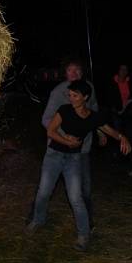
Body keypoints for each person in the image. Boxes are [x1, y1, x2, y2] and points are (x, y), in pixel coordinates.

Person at [27, 79, 131, 251]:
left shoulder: (92, 117)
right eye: (70, 95)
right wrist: (65, 141)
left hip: (73, 160)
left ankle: (84, 235)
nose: (71, 98)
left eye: (75, 96)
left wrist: (123, 137)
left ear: (85, 97)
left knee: (76, 197)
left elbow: (108, 130)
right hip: (53, 156)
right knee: (44, 192)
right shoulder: (64, 110)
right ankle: (38, 220)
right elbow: (50, 131)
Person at [38, 58, 103, 230]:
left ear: (83, 72)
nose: (74, 74)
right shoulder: (58, 92)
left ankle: (87, 224)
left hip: (82, 149)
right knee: (45, 189)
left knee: (84, 189)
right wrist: (65, 137)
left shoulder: (89, 89)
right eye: (70, 70)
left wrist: (100, 131)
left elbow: (94, 112)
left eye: (78, 70)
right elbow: (46, 119)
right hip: (57, 148)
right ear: (65, 73)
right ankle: (36, 218)